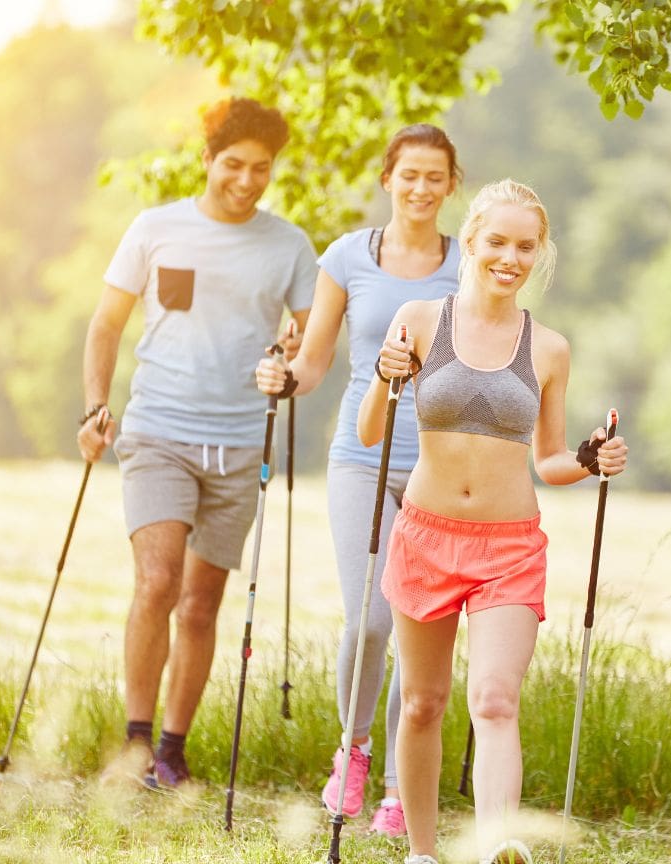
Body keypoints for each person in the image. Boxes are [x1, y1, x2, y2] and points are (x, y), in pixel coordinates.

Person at [363, 179, 628, 864]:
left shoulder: (549, 348)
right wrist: (382, 374)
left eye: (525, 246)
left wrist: (590, 457)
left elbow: (548, 459)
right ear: (472, 241)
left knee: (494, 699)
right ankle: (422, 852)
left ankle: (495, 848)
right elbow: (370, 431)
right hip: (425, 534)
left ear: (539, 254)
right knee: (421, 704)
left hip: (509, 548)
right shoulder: (420, 322)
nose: (510, 257)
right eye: (498, 242)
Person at [77, 97, 316, 790]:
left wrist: (294, 354)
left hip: (241, 442)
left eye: (262, 169)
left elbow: (312, 336)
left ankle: (174, 753)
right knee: (156, 583)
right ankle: (136, 742)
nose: (247, 181)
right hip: (159, 430)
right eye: (233, 165)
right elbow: (104, 325)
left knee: (202, 603)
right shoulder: (157, 229)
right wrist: (96, 407)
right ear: (206, 159)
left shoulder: (288, 245)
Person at [254, 124, 463, 836]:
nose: (421, 188)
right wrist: (283, 379)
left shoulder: (468, 265)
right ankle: (355, 750)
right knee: (371, 620)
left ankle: (406, 789)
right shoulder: (348, 256)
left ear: (451, 186)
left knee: (422, 630)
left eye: (435, 176)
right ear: (387, 179)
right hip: (360, 455)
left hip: (441, 466)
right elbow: (313, 364)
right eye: (409, 174)